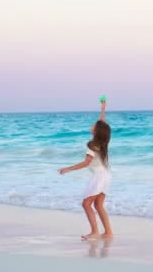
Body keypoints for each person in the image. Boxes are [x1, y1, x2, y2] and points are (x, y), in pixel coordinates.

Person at [59, 99, 112, 240]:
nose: (92, 125)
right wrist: (103, 109)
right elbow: (102, 124)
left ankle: (95, 232)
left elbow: (86, 163)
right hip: (106, 175)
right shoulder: (103, 142)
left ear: (96, 131)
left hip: (99, 177)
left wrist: (68, 169)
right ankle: (108, 233)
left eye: (94, 125)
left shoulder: (91, 144)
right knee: (98, 205)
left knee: (86, 203)